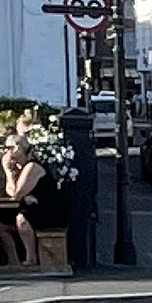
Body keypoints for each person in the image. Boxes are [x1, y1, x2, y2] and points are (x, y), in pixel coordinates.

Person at [0, 116, 43, 267]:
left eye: (9, 149)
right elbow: (11, 192)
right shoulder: (19, 168)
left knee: (21, 219)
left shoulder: (32, 166)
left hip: (45, 208)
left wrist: (8, 172)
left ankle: (31, 257)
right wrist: (10, 173)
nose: (7, 154)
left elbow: (15, 195)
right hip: (28, 205)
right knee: (0, 226)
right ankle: (13, 260)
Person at [59, 103, 101, 271]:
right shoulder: (87, 152)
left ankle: (78, 258)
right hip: (79, 196)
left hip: (78, 196)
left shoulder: (77, 153)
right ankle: (80, 258)